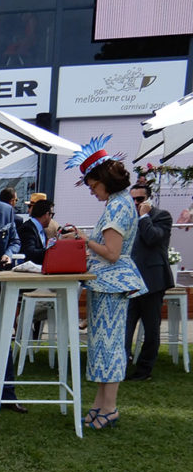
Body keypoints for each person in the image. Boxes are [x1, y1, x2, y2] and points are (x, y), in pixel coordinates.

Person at [66, 136, 147, 430]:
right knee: (103, 344)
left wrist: (84, 240)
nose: (92, 192)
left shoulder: (117, 207)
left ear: (102, 181)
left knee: (109, 345)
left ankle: (109, 407)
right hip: (109, 284)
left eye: (92, 186)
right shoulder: (121, 203)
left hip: (111, 282)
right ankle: (101, 405)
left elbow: (112, 253)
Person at [0, 169, 26, 413]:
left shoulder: (5, 210)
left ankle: (7, 395)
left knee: (1, 339)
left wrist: (7, 255)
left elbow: (15, 240)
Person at [124, 182, 174, 381]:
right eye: (132, 199)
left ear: (148, 200)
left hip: (152, 281)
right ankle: (121, 365)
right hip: (129, 281)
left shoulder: (161, 216)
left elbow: (153, 238)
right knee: (126, 326)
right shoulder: (127, 218)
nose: (135, 203)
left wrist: (144, 217)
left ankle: (144, 370)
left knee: (151, 329)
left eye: (140, 199)